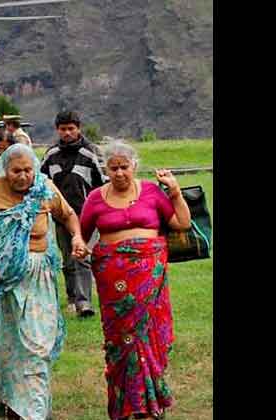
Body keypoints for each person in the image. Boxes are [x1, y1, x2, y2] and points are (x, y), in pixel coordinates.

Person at [0, 144, 91, 420]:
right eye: (16, 171)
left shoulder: (44, 188)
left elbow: (68, 215)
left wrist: (77, 237)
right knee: (11, 344)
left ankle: (33, 409)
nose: (23, 176)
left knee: (37, 344)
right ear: (5, 171)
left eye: (27, 170)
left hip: (39, 278)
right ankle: (15, 406)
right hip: (5, 283)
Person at [79, 141, 190, 420]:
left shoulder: (151, 192)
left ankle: (150, 405)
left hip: (148, 276)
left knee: (147, 336)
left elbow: (182, 223)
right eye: (113, 168)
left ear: (134, 167)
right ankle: (127, 406)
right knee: (122, 340)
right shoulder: (95, 198)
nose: (119, 173)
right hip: (113, 279)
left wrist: (175, 192)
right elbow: (81, 232)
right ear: (106, 169)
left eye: (124, 167)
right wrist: (78, 244)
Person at [40, 110, 106, 318]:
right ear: (57, 130)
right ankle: (71, 297)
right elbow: (41, 183)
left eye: (71, 128)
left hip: (86, 216)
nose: (67, 133)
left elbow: (103, 183)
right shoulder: (50, 155)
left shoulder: (91, 153)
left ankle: (84, 302)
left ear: (79, 128)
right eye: (63, 129)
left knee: (82, 257)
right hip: (60, 217)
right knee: (67, 260)